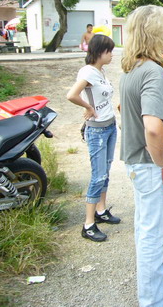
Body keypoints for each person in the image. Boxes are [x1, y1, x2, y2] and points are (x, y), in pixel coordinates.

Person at [119, 5, 163, 307]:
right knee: (154, 233)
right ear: (156, 33)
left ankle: (158, 276)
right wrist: (161, 157)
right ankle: (153, 300)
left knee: (147, 228)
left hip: (141, 164)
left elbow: (126, 113)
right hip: (151, 167)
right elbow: (152, 126)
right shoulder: (152, 71)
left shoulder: (133, 68)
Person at [66, 34, 120, 242]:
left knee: (105, 171)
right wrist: (88, 107)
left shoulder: (101, 71)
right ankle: (88, 224)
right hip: (96, 130)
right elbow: (71, 95)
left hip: (109, 126)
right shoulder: (88, 71)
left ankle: (101, 210)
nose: (112, 55)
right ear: (99, 52)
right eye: (109, 51)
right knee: (98, 175)